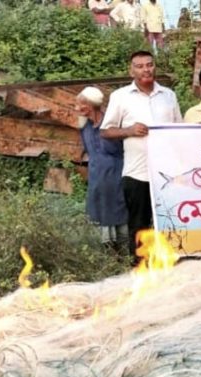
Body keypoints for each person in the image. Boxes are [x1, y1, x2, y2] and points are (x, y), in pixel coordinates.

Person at [101, 51, 182, 263]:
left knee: (169, 221)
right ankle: (141, 269)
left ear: (155, 67)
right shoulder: (120, 96)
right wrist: (129, 130)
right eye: (139, 66)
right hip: (137, 173)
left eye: (149, 64)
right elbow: (105, 131)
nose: (146, 69)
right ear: (131, 71)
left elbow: (179, 130)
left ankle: (169, 266)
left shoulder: (168, 95)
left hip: (167, 174)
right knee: (139, 225)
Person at [76, 87, 129, 253]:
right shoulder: (85, 127)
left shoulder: (110, 124)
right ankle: (106, 255)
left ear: (91, 105)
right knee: (99, 213)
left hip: (116, 176)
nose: (77, 108)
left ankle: (125, 255)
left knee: (120, 213)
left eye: (81, 104)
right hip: (97, 178)